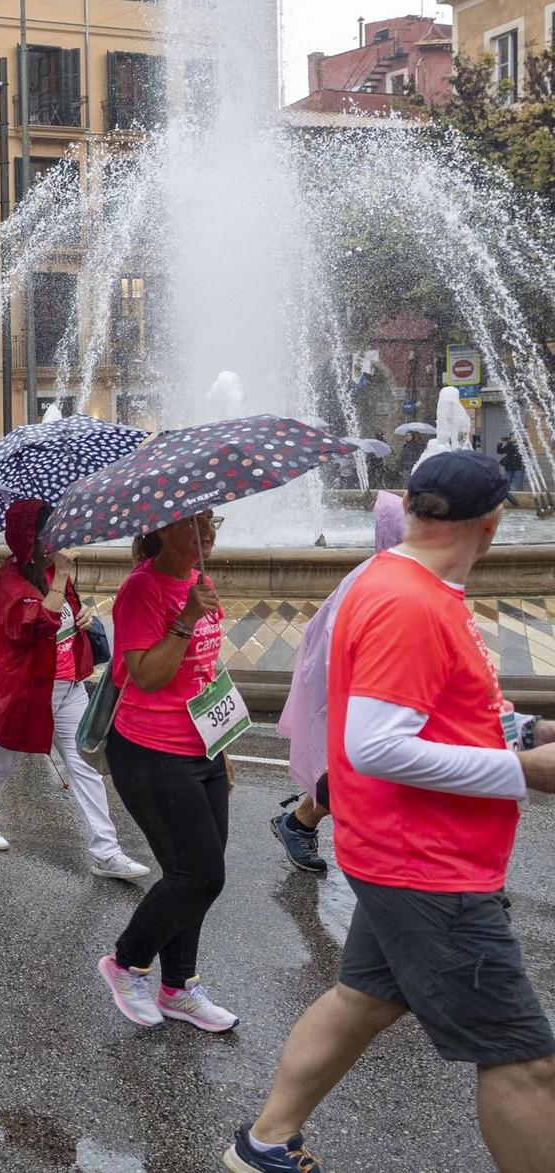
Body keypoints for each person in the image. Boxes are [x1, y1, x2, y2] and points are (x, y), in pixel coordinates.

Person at [226, 451, 555, 1173]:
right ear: (493, 525)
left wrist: (527, 731)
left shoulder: (398, 581)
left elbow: (440, 713)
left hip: (398, 854)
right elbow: (375, 745)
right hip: (431, 869)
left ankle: (264, 1142)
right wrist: (521, 767)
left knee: (363, 998)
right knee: (526, 1061)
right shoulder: (410, 601)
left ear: (412, 506)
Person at [96, 508, 239, 1035]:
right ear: (159, 528)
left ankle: (179, 987)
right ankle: (126, 962)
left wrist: (222, 741)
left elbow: (203, 669)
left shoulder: (200, 580)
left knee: (197, 879)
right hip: (150, 751)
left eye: (211, 522)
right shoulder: (142, 590)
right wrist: (186, 620)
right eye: (192, 523)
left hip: (200, 747)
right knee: (197, 875)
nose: (206, 533)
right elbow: (147, 676)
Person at [0, 500, 149, 880]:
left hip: (67, 684)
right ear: (29, 537)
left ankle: (106, 851)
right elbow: (37, 625)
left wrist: (83, 615)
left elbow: (65, 613)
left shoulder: (48, 570)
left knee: (84, 768)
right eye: (47, 532)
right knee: (3, 755)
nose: (56, 539)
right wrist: (60, 575)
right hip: (28, 690)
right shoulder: (11, 579)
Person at [269, 493, 406, 875]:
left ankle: (299, 823)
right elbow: (337, 646)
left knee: (359, 777)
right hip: (353, 697)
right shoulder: (375, 580)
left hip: (370, 700)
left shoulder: (395, 575)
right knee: (355, 778)